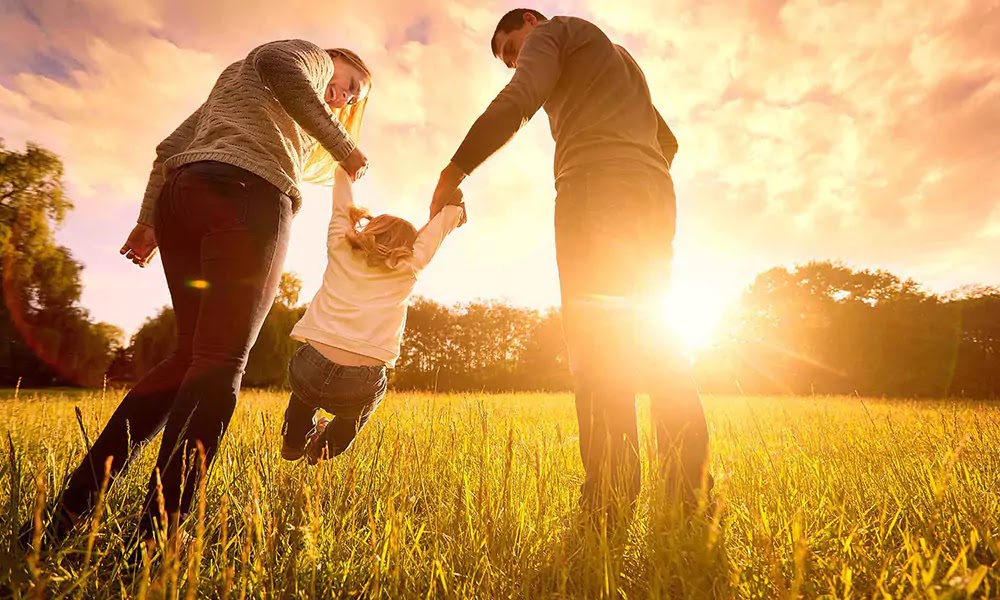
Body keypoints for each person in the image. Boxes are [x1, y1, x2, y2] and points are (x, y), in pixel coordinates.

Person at [22, 39, 374, 551]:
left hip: (183, 199)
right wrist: (345, 147)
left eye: (352, 98)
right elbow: (281, 65)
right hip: (248, 195)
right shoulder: (304, 55)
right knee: (221, 362)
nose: (342, 97)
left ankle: (60, 520)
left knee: (189, 357)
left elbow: (169, 149)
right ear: (330, 60)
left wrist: (148, 222)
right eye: (347, 84)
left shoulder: (236, 87)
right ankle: (158, 539)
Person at [429, 9, 712, 518]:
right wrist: (634, 170)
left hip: (593, 189)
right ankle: (687, 496)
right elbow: (667, 141)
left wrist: (455, 170)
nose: (515, 62)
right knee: (660, 340)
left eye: (513, 49)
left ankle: (609, 498)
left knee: (598, 345)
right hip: (652, 193)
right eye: (507, 59)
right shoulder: (620, 58)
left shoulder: (554, 32)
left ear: (531, 22)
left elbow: (520, 99)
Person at [280, 167, 465, 464]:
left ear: (370, 230)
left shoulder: (341, 246)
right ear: (409, 247)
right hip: (361, 381)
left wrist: (345, 170)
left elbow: (341, 205)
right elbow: (437, 231)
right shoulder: (410, 265)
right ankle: (324, 448)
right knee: (360, 410)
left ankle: (293, 441)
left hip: (310, 366)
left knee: (305, 393)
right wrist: (454, 207)